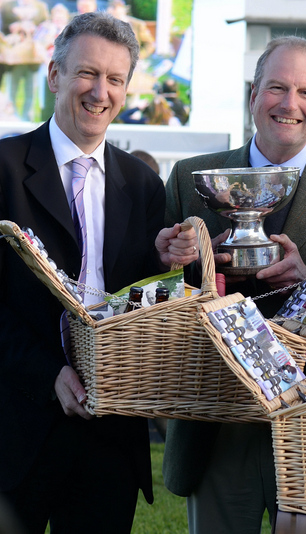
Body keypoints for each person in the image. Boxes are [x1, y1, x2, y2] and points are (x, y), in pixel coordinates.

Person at [161, 36, 306, 534]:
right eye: (277, 87)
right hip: (216, 418)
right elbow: (159, 300)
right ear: (254, 94)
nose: (289, 104)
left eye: (305, 92)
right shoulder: (190, 176)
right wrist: (179, 262)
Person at [0, 12, 197, 533]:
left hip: (110, 439)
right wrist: (49, 376)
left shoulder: (144, 185)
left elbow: (142, 305)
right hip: (15, 429)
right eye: (87, 73)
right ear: (54, 76)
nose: (100, 91)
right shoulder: (3, 169)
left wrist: (164, 263)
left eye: (114, 79)